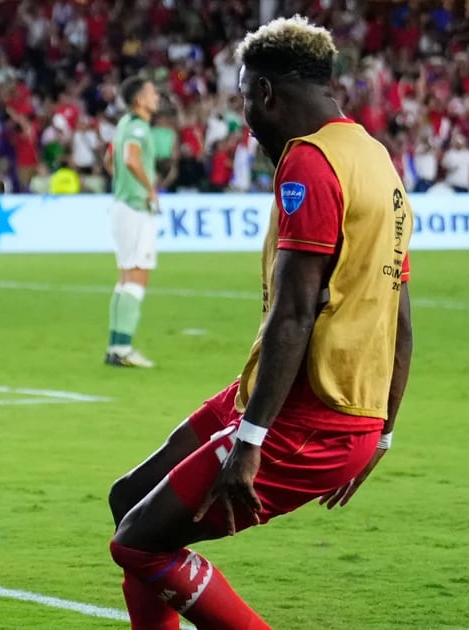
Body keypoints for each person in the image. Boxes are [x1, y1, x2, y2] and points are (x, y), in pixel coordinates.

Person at [107, 17, 414, 629]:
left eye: (246, 97)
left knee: (139, 543)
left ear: (268, 93)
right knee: (128, 503)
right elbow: (400, 312)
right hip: (313, 403)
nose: (246, 119)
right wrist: (383, 432)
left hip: (309, 416)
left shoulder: (310, 161)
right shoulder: (376, 159)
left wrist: (251, 443)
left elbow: (295, 312)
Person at [103, 76, 161, 368]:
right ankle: (123, 349)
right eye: (152, 92)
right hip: (136, 208)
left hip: (121, 206)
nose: (157, 96)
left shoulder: (123, 125)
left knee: (125, 276)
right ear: (139, 99)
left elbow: (107, 159)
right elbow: (130, 159)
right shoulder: (138, 127)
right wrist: (149, 190)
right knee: (138, 274)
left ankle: (115, 346)